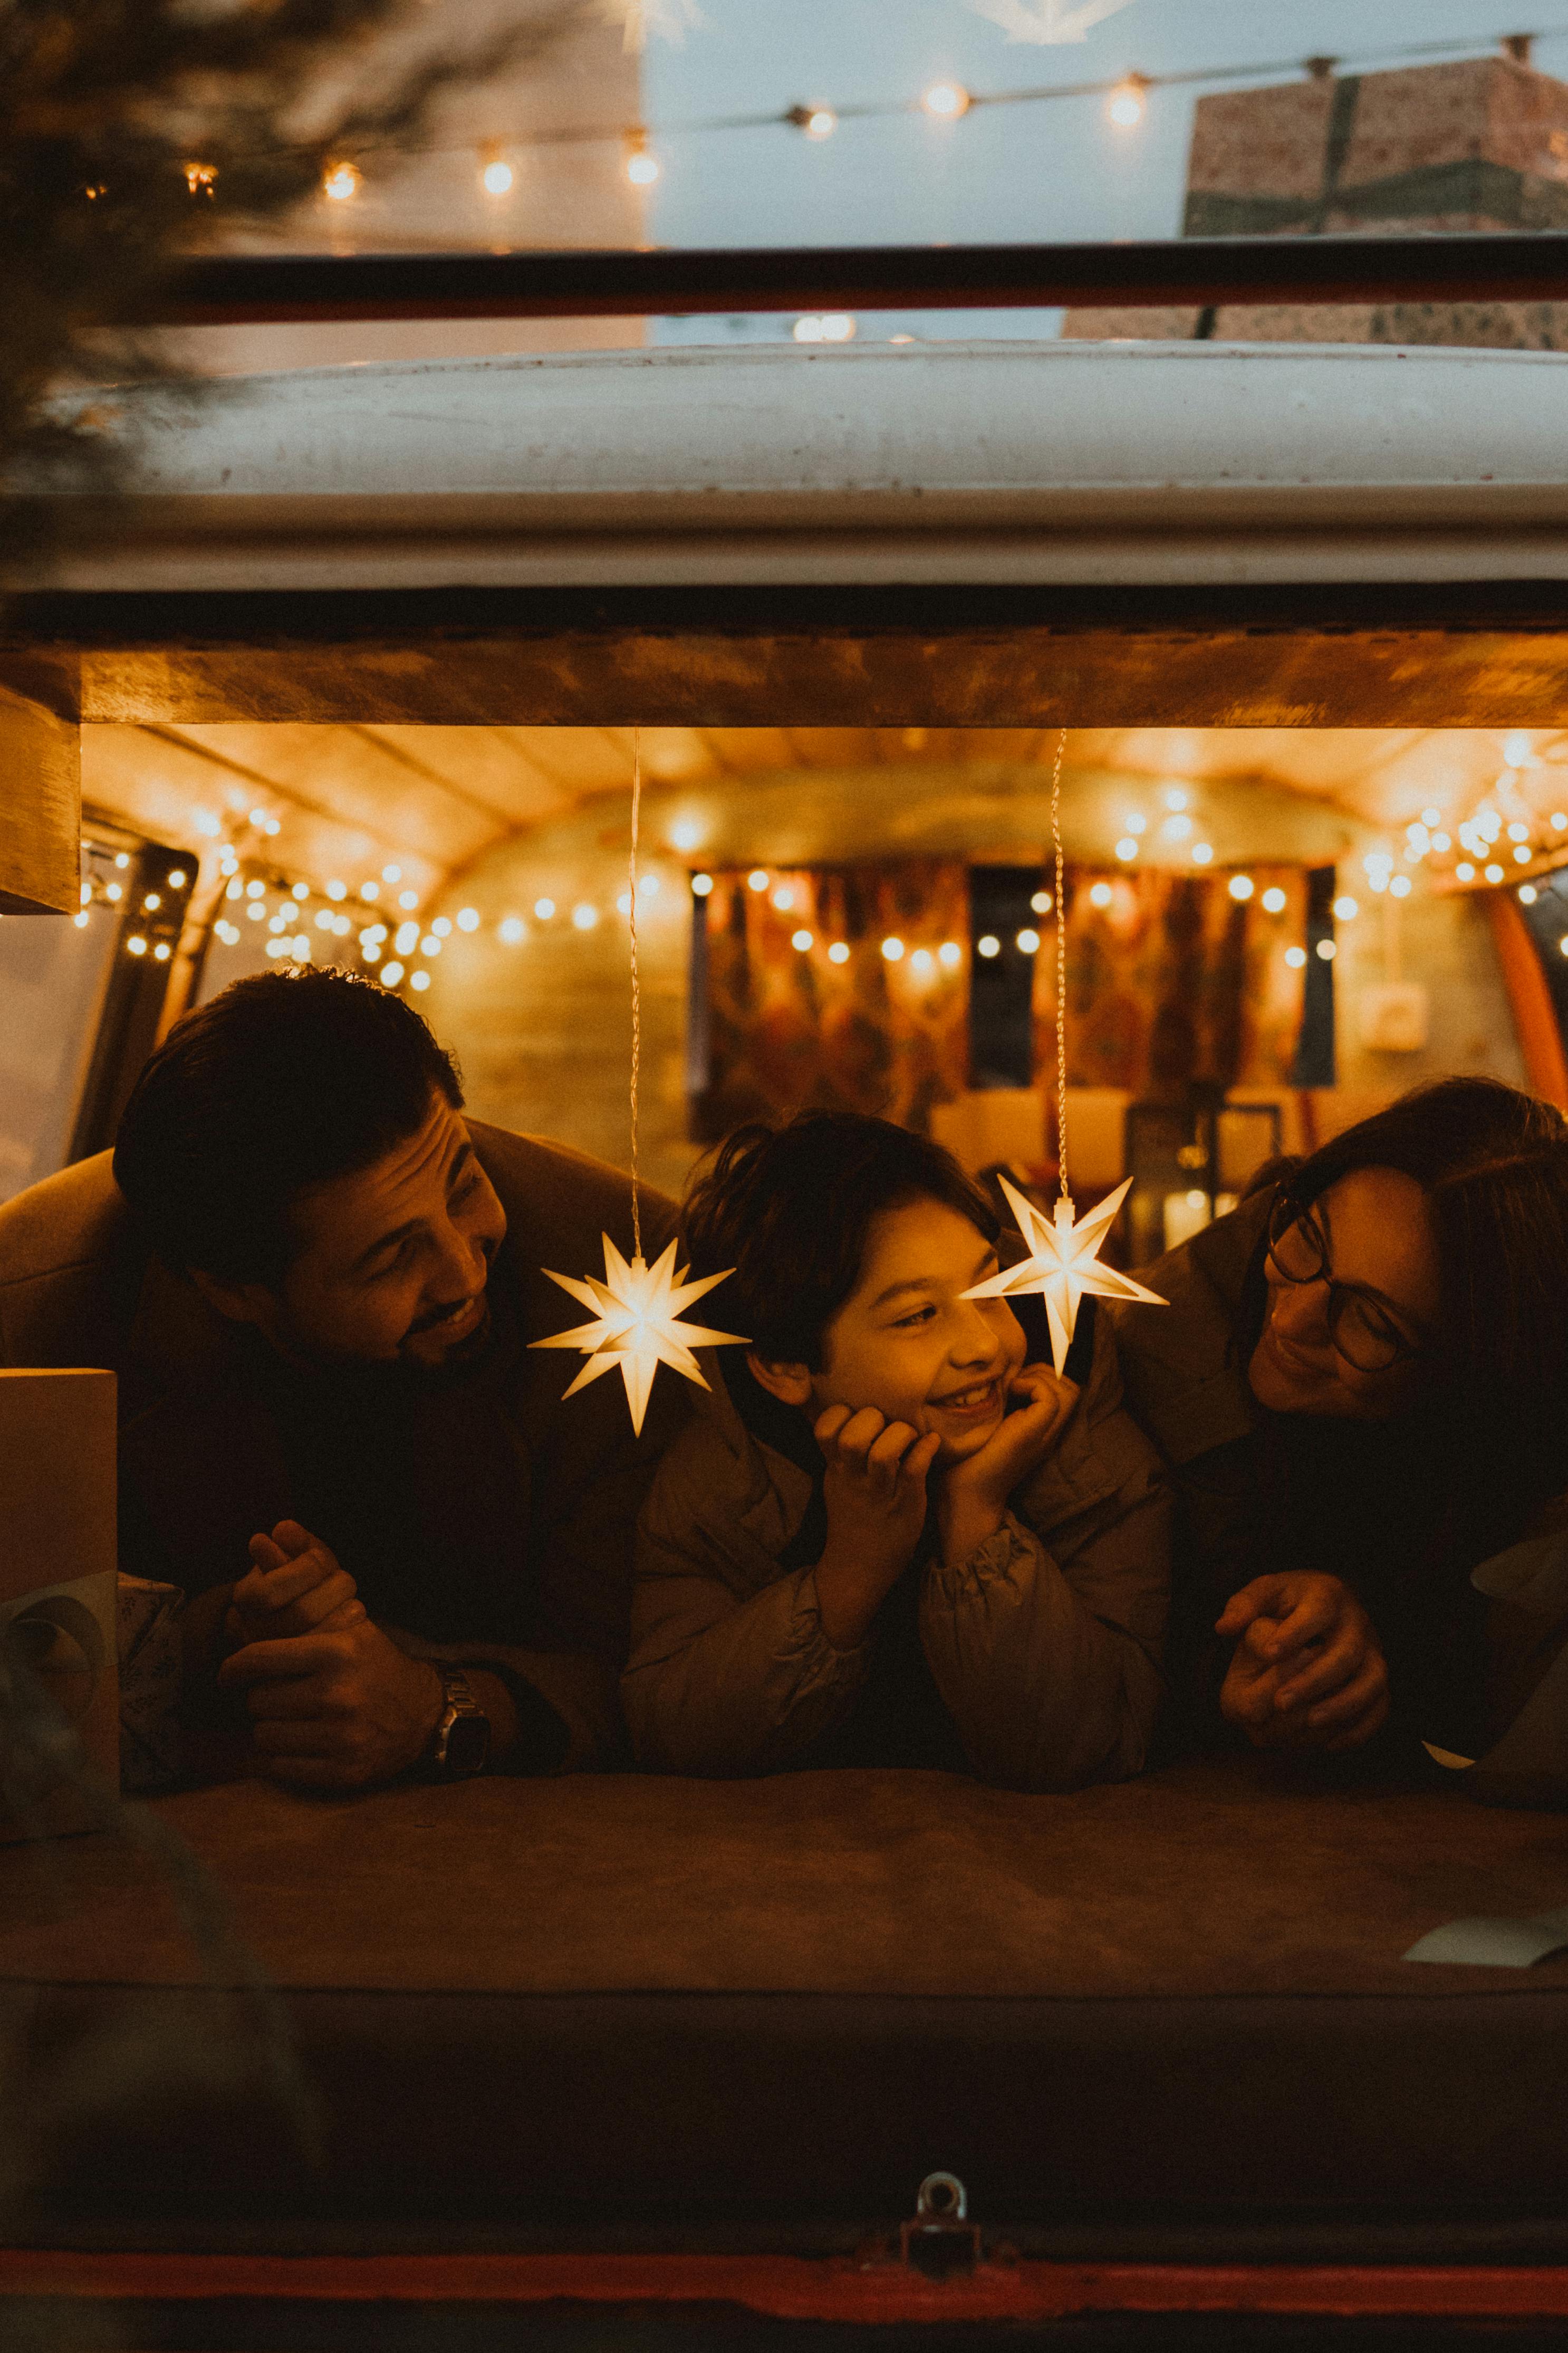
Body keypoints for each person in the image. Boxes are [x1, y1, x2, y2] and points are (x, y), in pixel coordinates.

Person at [0, 967, 686, 1789]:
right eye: (393, 1255)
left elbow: (657, 1669)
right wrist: (220, 1632)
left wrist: (440, 1707)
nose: (465, 1272)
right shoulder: (36, 1321)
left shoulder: (636, 1294)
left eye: (464, 1184)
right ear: (231, 1290)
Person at [621, 1113, 1171, 1790]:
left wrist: (975, 1514)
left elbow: (1091, 1740)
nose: (985, 1346)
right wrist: (852, 1567)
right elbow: (670, 1729)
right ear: (786, 1367)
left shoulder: (1075, 1417)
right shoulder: (729, 1470)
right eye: (917, 1316)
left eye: (987, 1289)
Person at [1108, 1077, 1568, 1774]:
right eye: (1310, 1235)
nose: (1292, 1320)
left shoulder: (1517, 1442)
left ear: (1470, 1373)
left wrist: (1380, 1644)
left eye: (1373, 1320)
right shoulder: (1155, 1355)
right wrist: (1234, 1672)